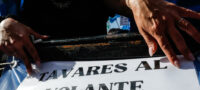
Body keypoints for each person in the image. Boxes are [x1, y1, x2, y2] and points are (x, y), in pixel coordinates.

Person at [0, 0, 200, 74]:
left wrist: (137, 3)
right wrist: (3, 25)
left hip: (97, 76)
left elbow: (122, 3)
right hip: (29, 78)